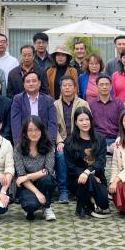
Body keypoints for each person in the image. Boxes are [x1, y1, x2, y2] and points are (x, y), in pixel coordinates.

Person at [64, 107, 111, 219]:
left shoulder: (100, 139)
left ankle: (85, 204)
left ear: (91, 120)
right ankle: (82, 206)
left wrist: (88, 172)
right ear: (76, 122)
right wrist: (88, 175)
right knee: (87, 180)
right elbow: (71, 167)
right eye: (81, 120)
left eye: (87, 119)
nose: (84, 123)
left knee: (104, 202)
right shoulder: (70, 141)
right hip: (77, 179)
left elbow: (101, 162)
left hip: (98, 177)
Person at [14, 116, 57, 221]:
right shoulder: (18, 149)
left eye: (37, 130)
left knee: (47, 179)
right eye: (30, 130)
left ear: (42, 131)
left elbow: (48, 170)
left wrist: (27, 176)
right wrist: (37, 193)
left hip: (43, 182)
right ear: (25, 132)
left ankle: (47, 207)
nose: (34, 133)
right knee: (30, 206)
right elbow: (21, 176)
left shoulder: (49, 147)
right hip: (27, 185)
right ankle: (33, 206)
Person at [53, 75, 88, 204]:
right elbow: (53, 126)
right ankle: (63, 190)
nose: (67, 88)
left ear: (75, 88)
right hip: (62, 141)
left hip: (78, 139)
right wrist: (59, 141)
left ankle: (80, 188)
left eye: (70, 85)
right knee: (61, 154)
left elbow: (87, 124)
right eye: (64, 85)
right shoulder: (55, 105)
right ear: (60, 88)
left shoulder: (83, 104)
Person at [11, 71, 58, 145]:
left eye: (34, 81)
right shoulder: (18, 99)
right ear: (24, 84)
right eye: (28, 81)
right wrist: (19, 145)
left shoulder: (48, 100)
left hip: (44, 139)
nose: (31, 84)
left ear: (39, 83)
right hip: (25, 140)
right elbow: (15, 124)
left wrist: (50, 144)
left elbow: (52, 123)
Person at [88, 74, 125, 149]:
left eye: (107, 84)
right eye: (101, 84)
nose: (104, 87)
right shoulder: (90, 104)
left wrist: (118, 140)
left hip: (115, 139)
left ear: (111, 86)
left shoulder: (118, 103)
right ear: (97, 86)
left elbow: (124, 123)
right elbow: (89, 125)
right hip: (96, 140)